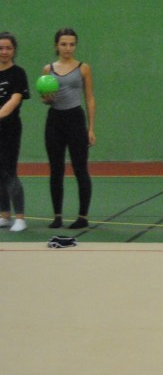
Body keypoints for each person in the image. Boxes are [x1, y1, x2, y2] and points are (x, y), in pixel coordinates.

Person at [41, 28, 96, 230]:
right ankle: (57, 216)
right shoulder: (48, 69)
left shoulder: (83, 68)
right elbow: (45, 98)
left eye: (72, 44)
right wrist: (47, 99)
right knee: (56, 169)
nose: (68, 48)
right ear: (57, 45)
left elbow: (89, 98)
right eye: (64, 44)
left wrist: (91, 128)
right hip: (55, 121)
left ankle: (83, 216)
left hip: (75, 120)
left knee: (80, 168)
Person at [0, 32, 30, 232]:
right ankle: (4, 215)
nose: (4, 52)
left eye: (8, 48)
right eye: (1, 48)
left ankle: (20, 218)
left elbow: (15, 99)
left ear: (14, 50)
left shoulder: (18, 73)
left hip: (9, 129)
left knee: (9, 172)